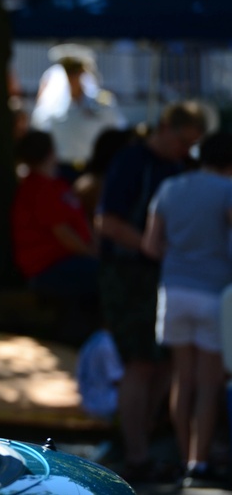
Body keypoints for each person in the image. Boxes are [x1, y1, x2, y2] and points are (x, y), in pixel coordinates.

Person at [97, 100, 207, 483]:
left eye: (192, 144)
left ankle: (140, 444)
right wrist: (150, 245)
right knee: (140, 364)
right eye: (182, 141)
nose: (185, 150)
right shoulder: (132, 161)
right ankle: (136, 454)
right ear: (165, 128)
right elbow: (107, 222)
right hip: (127, 275)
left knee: (165, 363)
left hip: (165, 277)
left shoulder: (181, 168)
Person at [141, 131, 232, 488]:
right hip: (213, 294)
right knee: (209, 383)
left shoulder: (170, 188)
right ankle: (200, 461)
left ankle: (183, 457)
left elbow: (150, 245)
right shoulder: (226, 190)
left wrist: (181, 261)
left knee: (183, 377)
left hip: (173, 292)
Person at [10, 129, 99, 346]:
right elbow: (63, 234)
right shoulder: (38, 188)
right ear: (51, 152)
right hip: (50, 268)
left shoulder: (55, 184)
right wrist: (93, 255)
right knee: (105, 276)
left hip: (70, 262)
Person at [31, 45, 126, 183]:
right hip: (61, 170)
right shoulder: (50, 105)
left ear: (84, 72)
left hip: (92, 169)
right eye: (69, 72)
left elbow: (118, 129)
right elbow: (39, 129)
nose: (72, 78)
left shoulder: (102, 103)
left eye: (76, 72)